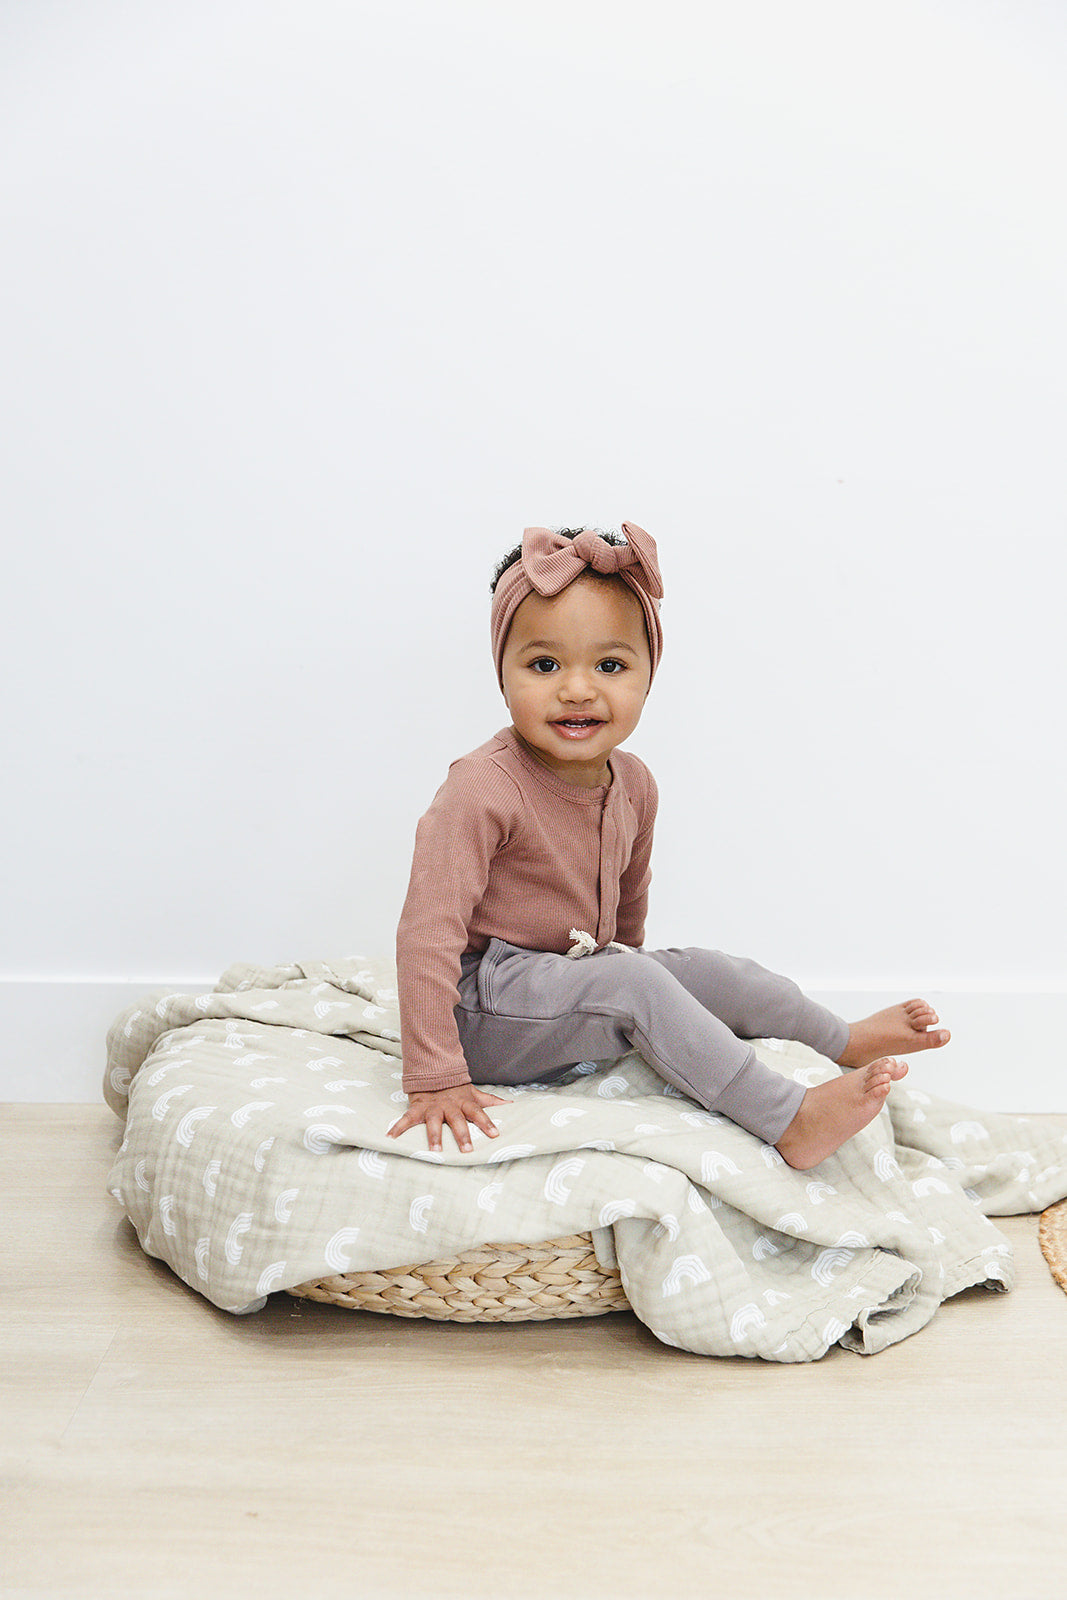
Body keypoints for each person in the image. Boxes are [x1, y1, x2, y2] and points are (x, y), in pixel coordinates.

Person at [388, 524, 949, 1169]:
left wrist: (641, 982)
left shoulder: (634, 783)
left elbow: (629, 901)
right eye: (544, 665)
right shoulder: (481, 788)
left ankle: (839, 1036)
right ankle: (787, 1118)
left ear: (649, 675)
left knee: (709, 973)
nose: (577, 689)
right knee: (633, 983)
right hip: (486, 1010)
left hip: (572, 978)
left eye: (610, 666)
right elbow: (427, 932)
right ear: (502, 675)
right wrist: (436, 1072)